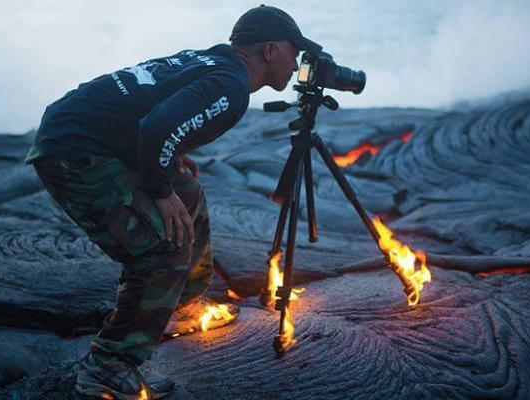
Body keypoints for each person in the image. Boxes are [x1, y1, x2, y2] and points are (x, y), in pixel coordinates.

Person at [25, 4, 321, 399]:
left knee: (188, 191)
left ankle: (181, 306)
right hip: (75, 152)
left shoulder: (215, 60)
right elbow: (155, 126)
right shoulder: (231, 86)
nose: (297, 60)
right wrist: (159, 191)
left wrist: (169, 159)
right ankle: (108, 367)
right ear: (270, 50)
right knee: (162, 250)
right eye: (293, 50)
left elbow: (155, 107)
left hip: (83, 132)